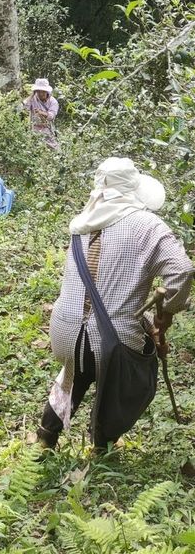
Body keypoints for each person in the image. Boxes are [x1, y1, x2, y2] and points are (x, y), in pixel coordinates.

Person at [36, 157, 193, 450]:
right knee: (131, 378)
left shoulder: (82, 222)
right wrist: (168, 313)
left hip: (64, 332)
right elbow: (182, 271)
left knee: (76, 371)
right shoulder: (147, 225)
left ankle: (46, 437)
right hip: (112, 342)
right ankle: (103, 443)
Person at [23, 78, 59, 150]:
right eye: (38, 91)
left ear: (47, 91)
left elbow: (51, 116)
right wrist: (31, 95)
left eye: (43, 91)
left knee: (55, 150)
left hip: (48, 130)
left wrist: (41, 113)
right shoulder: (33, 99)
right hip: (34, 130)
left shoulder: (53, 101)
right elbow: (24, 107)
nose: (41, 94)